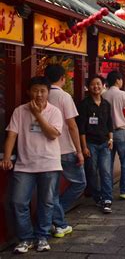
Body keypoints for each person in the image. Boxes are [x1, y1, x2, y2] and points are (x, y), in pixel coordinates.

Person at [1, 77, 63, 253]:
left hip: (49, 164)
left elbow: (52, 134)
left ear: (48, 93)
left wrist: (37, 115)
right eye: (36, 90)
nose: (39, 94)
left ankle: (42, 237)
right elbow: (11, 135)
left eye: (43, 91)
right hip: (24, 164)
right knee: (18, 202)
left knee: (47, 202)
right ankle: (26, 238)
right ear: (29, 92)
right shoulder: (20, 111)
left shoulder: (54, 111)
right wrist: (6, 157)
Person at [44, 64, 86, 239]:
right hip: (66, 149)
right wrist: (79, 150)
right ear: (63, 78)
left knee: (51, 191)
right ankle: (59, 220)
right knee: (80, 183)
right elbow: (72, 125)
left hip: (47, 150)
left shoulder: (41, 95)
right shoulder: (64, 96)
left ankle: (56, 215)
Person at [77, 75, 114, 214]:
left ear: (103, 85)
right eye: (93, 84)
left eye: (98, 84)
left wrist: (111, 139)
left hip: (104, 143)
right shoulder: (84, 105)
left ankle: (107, 199)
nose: (96, 87)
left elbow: (109, 123)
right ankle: (98, 197)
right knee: (91, 172)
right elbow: (81, 127)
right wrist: (84, 146)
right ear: (88, 87)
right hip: (90, 144)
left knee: (105, 171)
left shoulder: (106, 104)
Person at [102, 71, 125, 199]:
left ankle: (107, 192)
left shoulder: (103, 95)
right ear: (117, 80)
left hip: (106, 134)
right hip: (120, 132)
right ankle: (124, 191)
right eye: (121, 80)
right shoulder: (123, 95)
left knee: (107, 164)